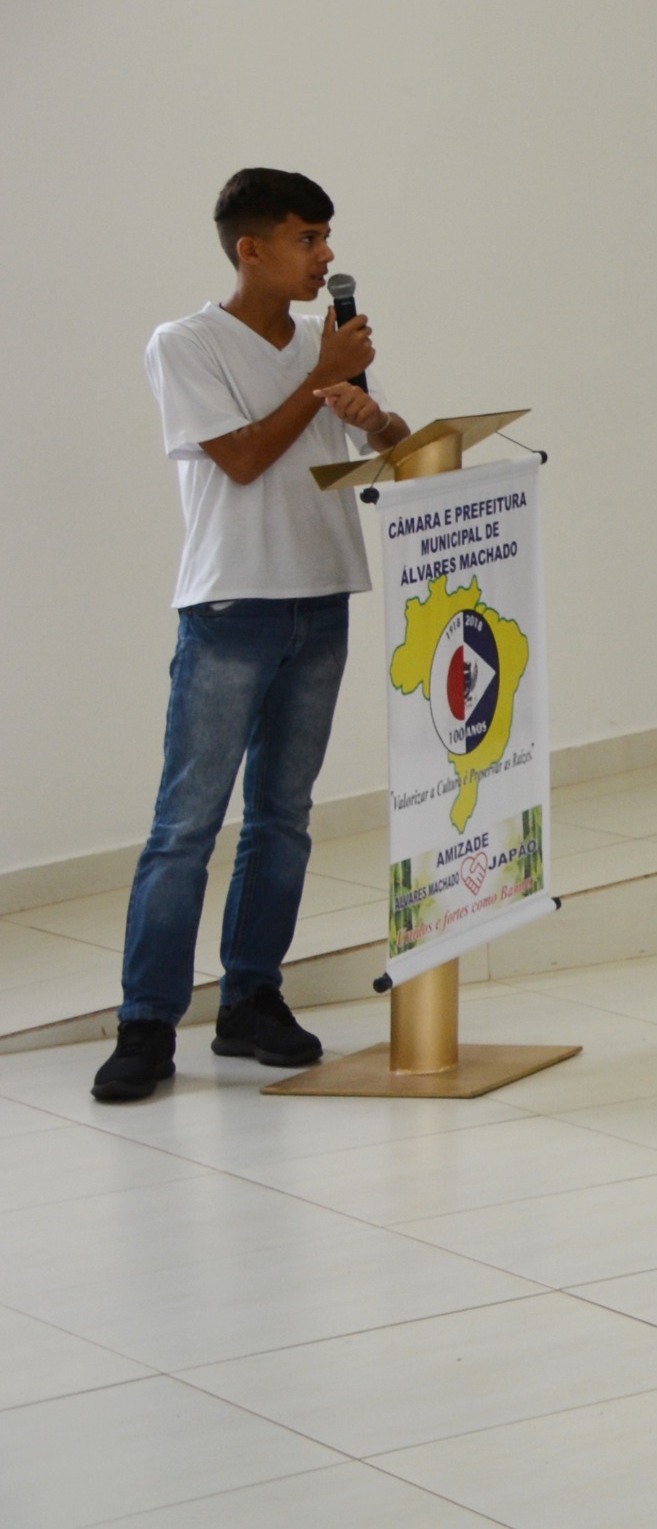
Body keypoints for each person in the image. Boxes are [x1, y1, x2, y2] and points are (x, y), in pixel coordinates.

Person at [98, 170, 412, 1104]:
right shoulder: (186, 343)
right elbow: (237, 459)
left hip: (323, 599)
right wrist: (321, 378)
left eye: (326, 237)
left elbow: (390, 447)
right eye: (308, 237)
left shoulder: (326, 341)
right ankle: (146, 1022)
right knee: (187, 824)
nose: (326, 255)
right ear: (252, 248)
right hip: (233, 606)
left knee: (283, 816)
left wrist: (375, 415)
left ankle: (251, 1000)